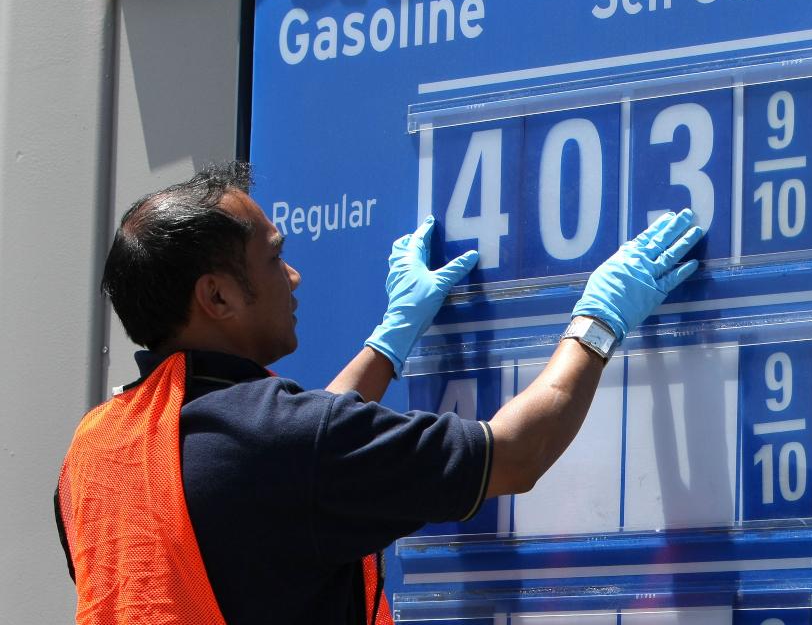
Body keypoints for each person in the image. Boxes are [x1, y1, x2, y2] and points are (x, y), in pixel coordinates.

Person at [54, 162, 705, 625]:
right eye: (275, 258)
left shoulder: (95, 453)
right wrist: (598, 319)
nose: (294, 275)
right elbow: (514, 453)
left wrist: (390, 341)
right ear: (216, 295)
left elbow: (289, 467)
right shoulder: (276, 441)